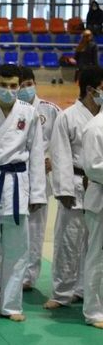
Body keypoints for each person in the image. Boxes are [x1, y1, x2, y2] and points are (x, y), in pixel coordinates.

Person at [0, 64, 46, 322]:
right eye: (3, 85)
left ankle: (12, 305)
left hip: (17, 185)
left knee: (16, 251)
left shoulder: (29, 113)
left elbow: (36, 154)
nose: (9, 90)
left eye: (14, 86)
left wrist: (37, 194)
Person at [45, 66, 102, 309]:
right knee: (68, 242)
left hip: (97, 186)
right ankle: (62, 292)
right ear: (91, 90)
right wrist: (64, 190)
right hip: (76, 184)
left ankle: (84, 289)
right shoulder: (68, 116)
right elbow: (60, 155)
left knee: (94, 244)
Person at [14, 67, 61, 294]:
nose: (24, 89)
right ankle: (7, 273)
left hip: (41, 179)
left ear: (34, 83)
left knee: (35, 230)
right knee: (11, 230)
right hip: (15, 176)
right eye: (19, 85)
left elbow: (62, 141)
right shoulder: (12, 110)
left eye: (27, 84)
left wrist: (53, 160)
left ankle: (28, 277)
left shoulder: (50, 110)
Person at [81, 78, 103, 329]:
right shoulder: (95, 127)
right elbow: (93, 167)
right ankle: (94, 311)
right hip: (100, 199)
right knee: (97, 255)